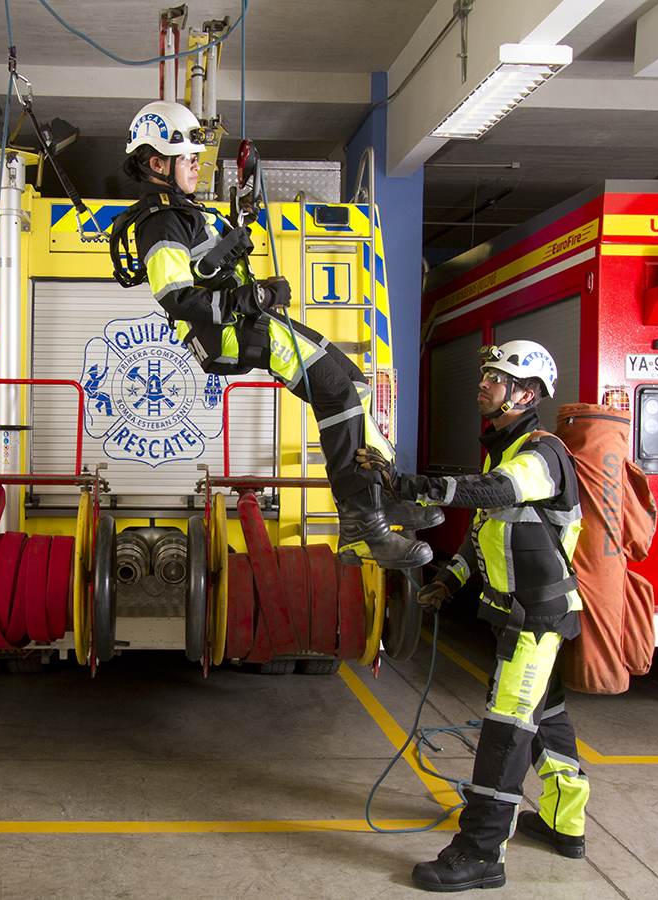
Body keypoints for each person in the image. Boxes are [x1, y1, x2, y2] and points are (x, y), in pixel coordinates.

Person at [111, 100, 433, 568]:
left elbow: (208, 266)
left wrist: (239, 224)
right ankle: (363, 527)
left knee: (353, 383)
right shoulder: (161, 222)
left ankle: (380, 496)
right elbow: (179, 299)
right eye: (188, 159)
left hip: (253, 322)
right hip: (234, 333)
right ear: (156, 162)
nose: (197, 168)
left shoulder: (185, 212)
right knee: (336, 392)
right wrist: (256, 299)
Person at [357, 339, 590, 892]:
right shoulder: (503, 452)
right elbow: (488, 527)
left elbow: (495, 491)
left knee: (505, 731)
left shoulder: (542, 453)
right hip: (529, 616)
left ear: (524, 394)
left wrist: (406, 483)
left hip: (538, 621)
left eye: (495, 377)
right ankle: (565, 823)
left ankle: (482, 853)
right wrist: (448, 580)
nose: (482, 383)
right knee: (547, 721)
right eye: (484, 374)